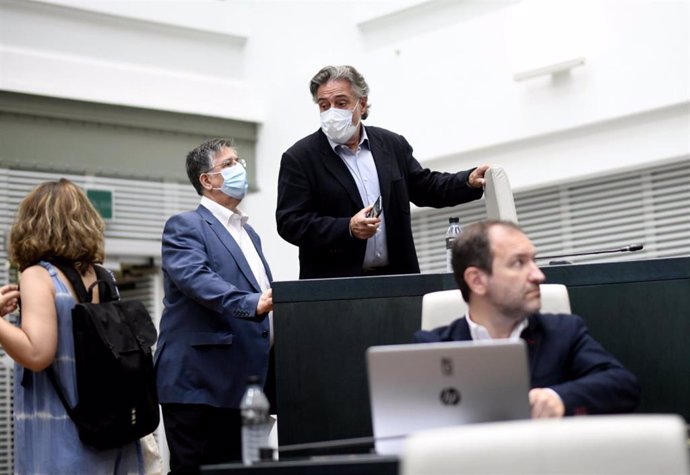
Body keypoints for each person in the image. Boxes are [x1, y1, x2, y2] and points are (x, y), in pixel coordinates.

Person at [276, 64, 490, 279]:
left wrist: (468, 181)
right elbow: (290, 223)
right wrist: (347, 227)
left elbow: (425, 187)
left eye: (340, 103)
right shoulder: (300, 158)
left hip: (397, 280)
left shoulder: (391, 144)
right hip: (336, 289)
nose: (332, 112)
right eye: (324, 105)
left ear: (361, 104)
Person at [415, 220, 641, 417]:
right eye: (518, 263)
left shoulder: (564, 333)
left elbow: (623, 386)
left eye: (534, 260)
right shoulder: (431, 348)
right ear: (477, 280)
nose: (538, 275)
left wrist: (558, 398)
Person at [4, 179, 148, 473]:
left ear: (31, 224)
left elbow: (36, 353)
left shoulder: (37, 276)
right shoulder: (104, 278)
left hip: (66, 437)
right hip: (114, 432)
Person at [155, 138, 274, 474]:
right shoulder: (185, 226)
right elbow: (197, 281)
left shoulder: (250, 234)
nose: (239, 169)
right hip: (200, 385)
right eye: (229, 164)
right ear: (207, 180)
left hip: (244, 385)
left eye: (240, 162)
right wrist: (252, 303)